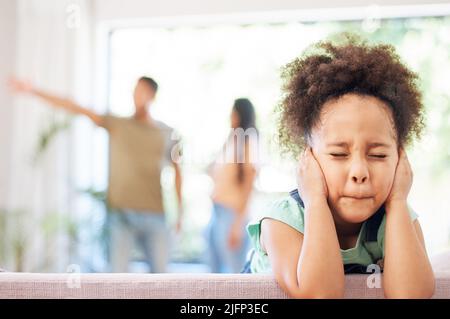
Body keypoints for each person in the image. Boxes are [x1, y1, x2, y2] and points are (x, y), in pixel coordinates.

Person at [245, 36, 435, 298]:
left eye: (378, 155)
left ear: (400, 160)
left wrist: (399, 201)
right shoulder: (283, 220)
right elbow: (320, 294)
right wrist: (315, 202)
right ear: (308, 160)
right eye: (338, 154)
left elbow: (412, 294)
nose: (359, 172)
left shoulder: (396, 215)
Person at [10, 76, 183, 273]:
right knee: (117, 277)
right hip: (121, 215)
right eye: (134, 91)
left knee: (161, 276)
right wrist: (33, 90)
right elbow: (75, 107)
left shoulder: (168, 133)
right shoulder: (118, 124)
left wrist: (180, 213)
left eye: (141, 92)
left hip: (155, 215)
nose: (136, 96)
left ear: (152, 96)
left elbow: (178, 173)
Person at [207, 98, 258, 273]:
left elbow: (248, 185)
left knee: (234, 272)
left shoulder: (247, 142)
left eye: (233, 112)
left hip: (232, 216)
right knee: (214, 272)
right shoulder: (231, 142)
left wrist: (237, 224)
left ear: (240, 115)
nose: (230, 116)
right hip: (218, 212)